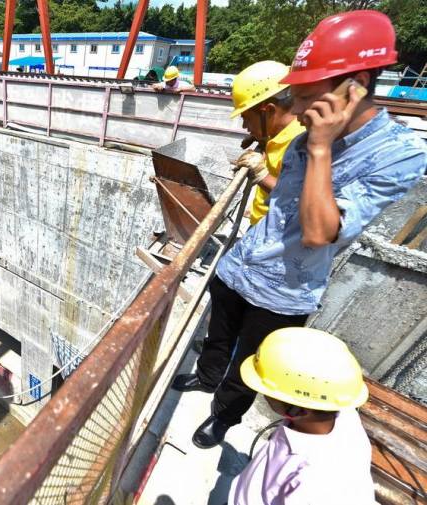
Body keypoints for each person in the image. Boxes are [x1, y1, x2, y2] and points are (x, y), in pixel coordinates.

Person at [172, 10, 426, 449]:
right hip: (242, 266)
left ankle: (223, 417)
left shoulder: (398, 155)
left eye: (305, 96)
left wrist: (323, 149)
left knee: (253, 362)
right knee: (218, 335)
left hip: (283, 290)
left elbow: (317, 233)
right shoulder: (301, 135)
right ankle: (207, 376)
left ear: (356, 85)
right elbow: (283, 205)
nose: (297, 110)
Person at [230, 328, 374, 505]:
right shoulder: (337, 410)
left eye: (268, 392)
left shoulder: (317, 483)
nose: (263, 395)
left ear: (298, 410)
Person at [229, 61, 305, 225]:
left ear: (269, 111)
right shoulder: (280, 131)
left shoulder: (300, 144)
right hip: (261, 222)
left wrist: (261, 174)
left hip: (275, 233)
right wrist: (262, 138)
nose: (245, 127)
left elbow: (299, 199)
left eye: (247, 119)